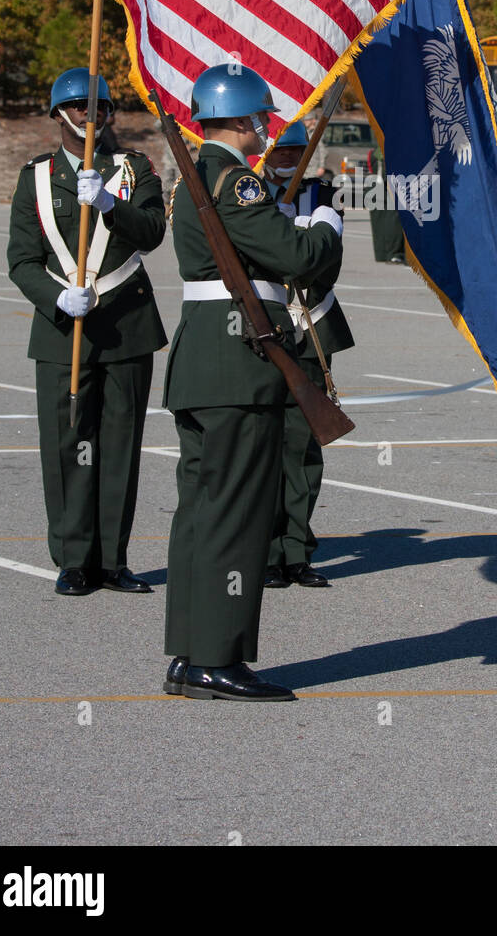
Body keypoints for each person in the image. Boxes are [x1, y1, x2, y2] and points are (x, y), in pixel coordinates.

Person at [162, 63, 344, 703]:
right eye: (261, 118)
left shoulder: (196, 174)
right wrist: (325, 226)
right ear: (241, 120)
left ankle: (189, 654)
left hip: (205, 359)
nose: (265, 127)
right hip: (238, 361)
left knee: (201, 512)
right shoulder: (231, 178)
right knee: (237, 515)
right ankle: (220, 658)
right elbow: (295, 259)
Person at [7, 68, 167, 596]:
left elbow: (152, 233)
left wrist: (108, 204)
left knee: (120, 444)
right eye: (76, 106)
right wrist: (55, 296)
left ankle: (113, 559)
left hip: (127, 326)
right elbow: (23, 259)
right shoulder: (34, 177)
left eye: (97, 106)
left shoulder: (133, 169)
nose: (87, 113)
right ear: (57, 114)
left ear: (110, 113)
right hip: (63, 329)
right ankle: (74, 559)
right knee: (68, 442)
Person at [258, 120, 355, 589]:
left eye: (295, 149)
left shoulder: (324, 193)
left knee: (303, 446)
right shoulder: (247, 191)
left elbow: (326, 263)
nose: (287, 157)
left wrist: (305, 228)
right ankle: (265, 550)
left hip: (312, 325)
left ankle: (295, 551)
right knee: (262, 445)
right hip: (261, 328)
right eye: (279, 149)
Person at [367, 139, 406, 263]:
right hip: (386, 172)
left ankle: (384, 253)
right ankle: (394, 253)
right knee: (392, 216)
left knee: (381, 217)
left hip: (379, 172)